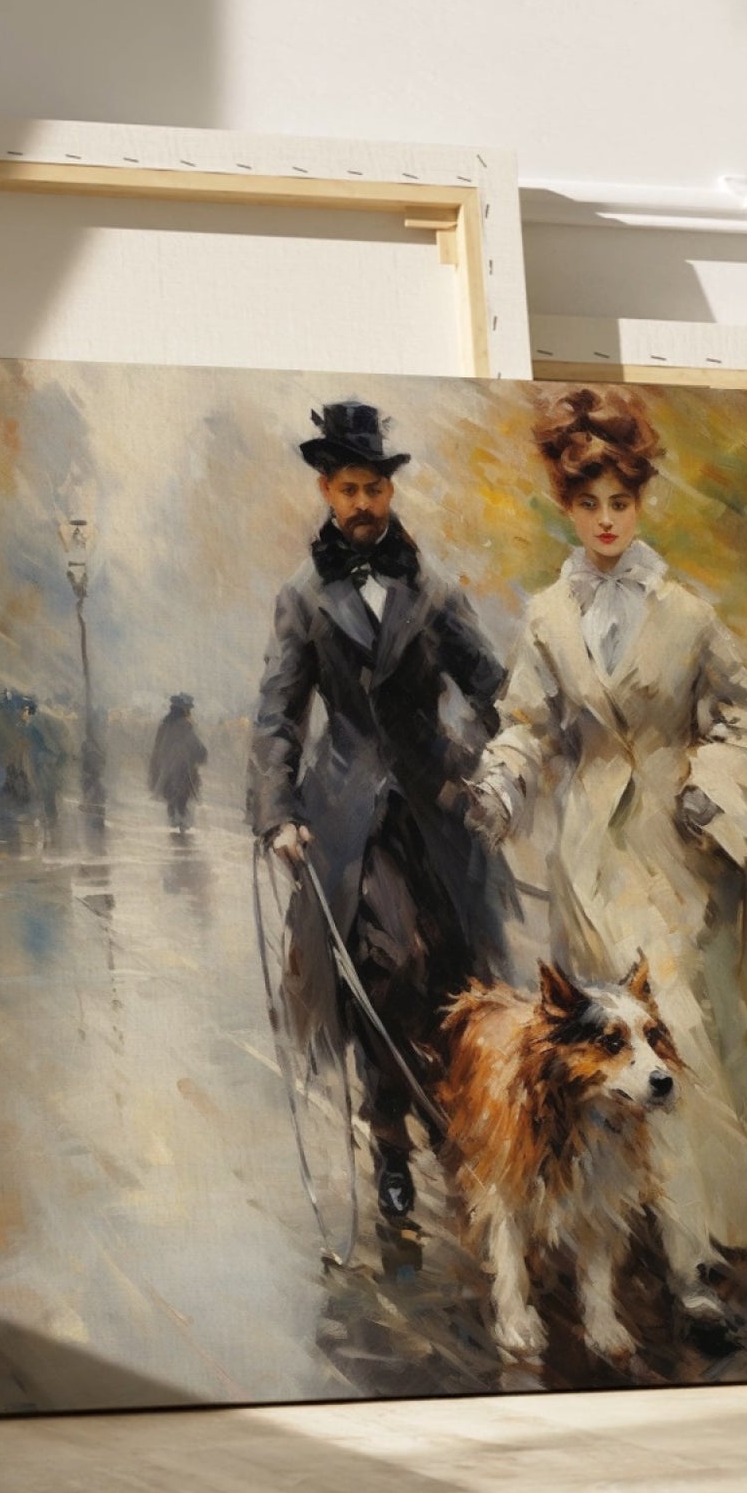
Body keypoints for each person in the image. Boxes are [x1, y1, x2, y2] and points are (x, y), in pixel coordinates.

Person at [467, 385, 747, 1283]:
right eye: (589, 505)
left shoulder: (689, 615)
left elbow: (744, 723)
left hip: (683, 852)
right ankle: (632, 1223)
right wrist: (502, 780)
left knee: (679, 1035)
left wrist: (715, 789)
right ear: (566, 505)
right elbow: (526, 719)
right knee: (612, 1053)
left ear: (640, 502)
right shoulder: (547, 619)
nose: (606, 521)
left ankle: (696, 1255)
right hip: (589, 860)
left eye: (621, 503)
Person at [249, 400, 512, 1224]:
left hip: (436, 811)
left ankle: (459, 1127)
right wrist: (278, 814)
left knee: (460, 975)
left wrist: (477, 761)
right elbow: (277, 714)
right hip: (348, 822)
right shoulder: (302, 598)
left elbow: (493, 688)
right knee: (386, 969)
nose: (364, 505)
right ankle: (392, 1138)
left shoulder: (431, 590)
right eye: (349, 489)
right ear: (327, 490)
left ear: (389, 493)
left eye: (376, 490)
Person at [148, 692, 208, 830]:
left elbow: (158, 748)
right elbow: (195, 746)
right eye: (188, 709)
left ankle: (174, 820)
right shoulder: (185, 726)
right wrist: (201, 754)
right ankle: (180, 824)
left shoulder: (164, 725)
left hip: (166, 769)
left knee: (172, 796)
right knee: (182, 798)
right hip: (182, 769)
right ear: (184, 709)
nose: (190, 711)